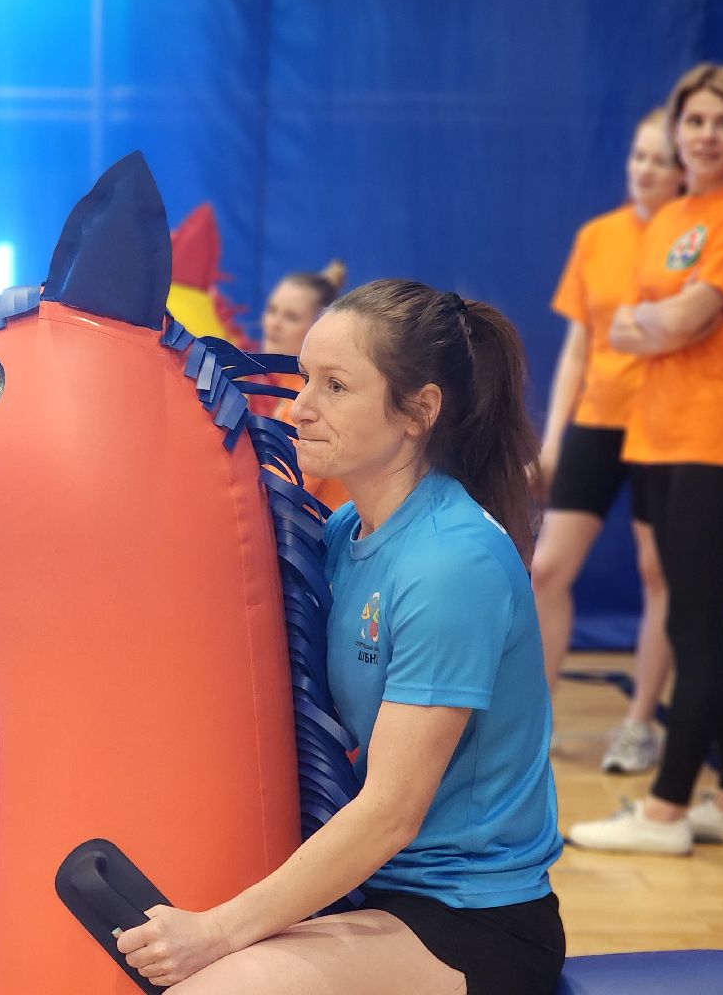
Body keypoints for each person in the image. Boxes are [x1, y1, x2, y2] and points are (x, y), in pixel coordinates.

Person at [117, 281, 564, 994]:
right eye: (302, 380)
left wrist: (215, 933)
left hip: (473, 922)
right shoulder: (346, 533)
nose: (299, 409)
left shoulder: (453, 563)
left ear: (419, 410)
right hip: (371, 895)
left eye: (335, 386)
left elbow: (390, 813)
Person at [569, 63, 723, 854]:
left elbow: (687, 318)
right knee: (704, 625)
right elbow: (619, 326)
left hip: (717, 434)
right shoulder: (671, 215)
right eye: (695, 121)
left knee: (695, 624)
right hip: (655, 432)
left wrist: (652, 321)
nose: (706, 136)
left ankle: (665, 811)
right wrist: (651, 322)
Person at [532, 108, 682, 774]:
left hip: (668, 425)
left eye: (660, 159)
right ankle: (530, 719)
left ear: (686, 171)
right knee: (546, 568)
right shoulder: (599, 236)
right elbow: (577, 348)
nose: (645, 169)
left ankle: (640, 721)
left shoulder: (691, 238)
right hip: (597, 416)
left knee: (660, 574)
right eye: (638, 157)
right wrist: (555, 435)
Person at [253, 262, 350, 510]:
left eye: (291, 317)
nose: (274, 324)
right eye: (272, 310)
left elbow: (280, 492)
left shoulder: (308, 399)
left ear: (319, 327)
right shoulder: (275, 386)